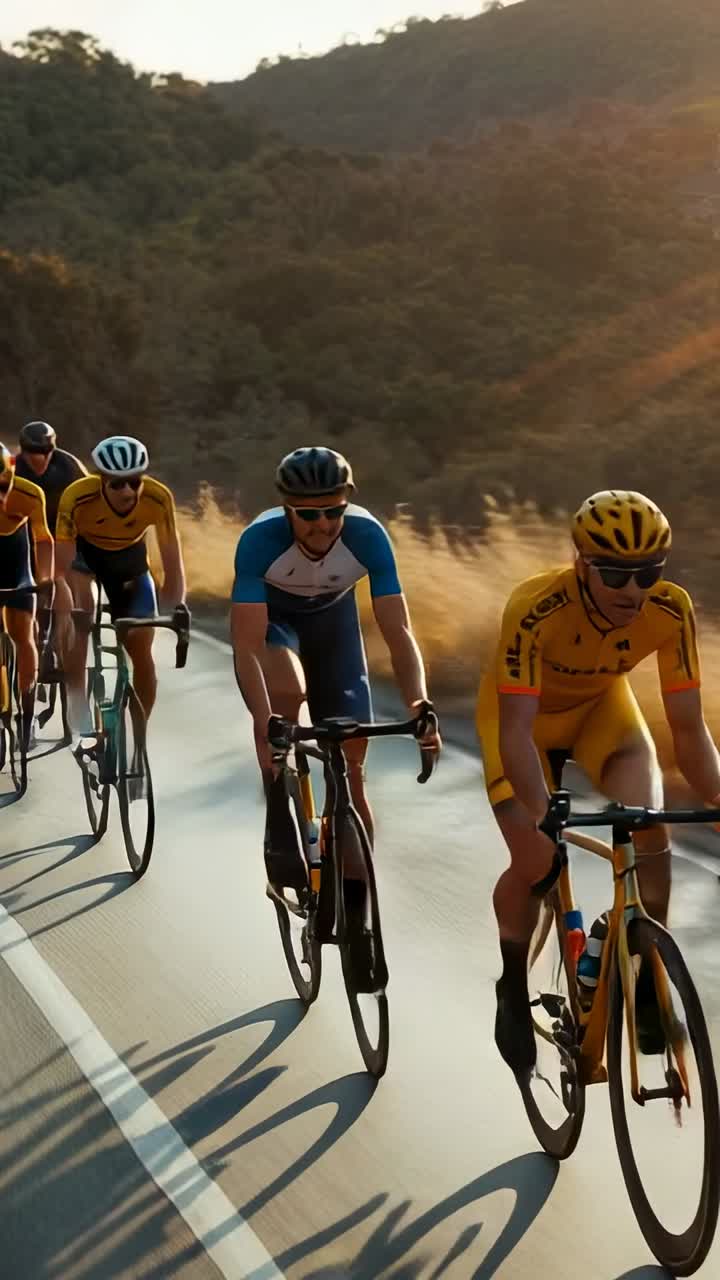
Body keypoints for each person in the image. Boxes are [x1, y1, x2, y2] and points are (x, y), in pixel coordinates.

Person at [476, 490, 720, 1077]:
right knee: (538, 859)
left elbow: (689, 731)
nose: (632, 591)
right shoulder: (535, 607)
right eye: (614, 573)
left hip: (602, 714)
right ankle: (512, 983)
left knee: (651, 827)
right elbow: (516, 732)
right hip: (522, 726)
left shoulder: (671, 610)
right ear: (582, 563)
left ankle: (639, 971)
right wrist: (541, 817)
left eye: (648, 573)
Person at [230, 446, 441, 973]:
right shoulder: (260, 542)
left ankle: (358, 914)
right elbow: (246, 648)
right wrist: (265, 725)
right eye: (309, 513)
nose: (323, 524)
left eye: (333, 511)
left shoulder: (368, 535)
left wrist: (418, 701)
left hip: (334, 629)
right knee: (289, 694)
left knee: (351, 767)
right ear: (286, 509)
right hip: (275, 627)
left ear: (346, 505)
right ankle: (280, 798)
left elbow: (399, 631)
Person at [54, 435, 188, 729]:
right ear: (101, 481)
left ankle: (139, 734)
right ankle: (77, 707)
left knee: (142, 650)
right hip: (85, 558)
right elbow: (61, 565)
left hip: (129, 562)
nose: (127, 490)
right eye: (116, 483)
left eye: (134, 481)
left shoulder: (158, 497)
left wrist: (175, 608)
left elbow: (172, 564)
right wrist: (63, 606)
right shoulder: (76, 496)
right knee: (81, 618)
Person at [0, 442, 54, 739]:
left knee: (22, 633)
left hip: (17, 565)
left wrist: (44, 579)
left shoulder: (30, 494)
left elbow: (43, 540)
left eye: (3, 486)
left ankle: (28, 711)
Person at [14, 421, 87, 535]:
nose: (41, 458)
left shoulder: (70, 467)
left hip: (63, 531)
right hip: (24, 532)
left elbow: (91, 498)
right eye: (33, 452)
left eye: (46, 451)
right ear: (23, 451)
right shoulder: (12, 470)